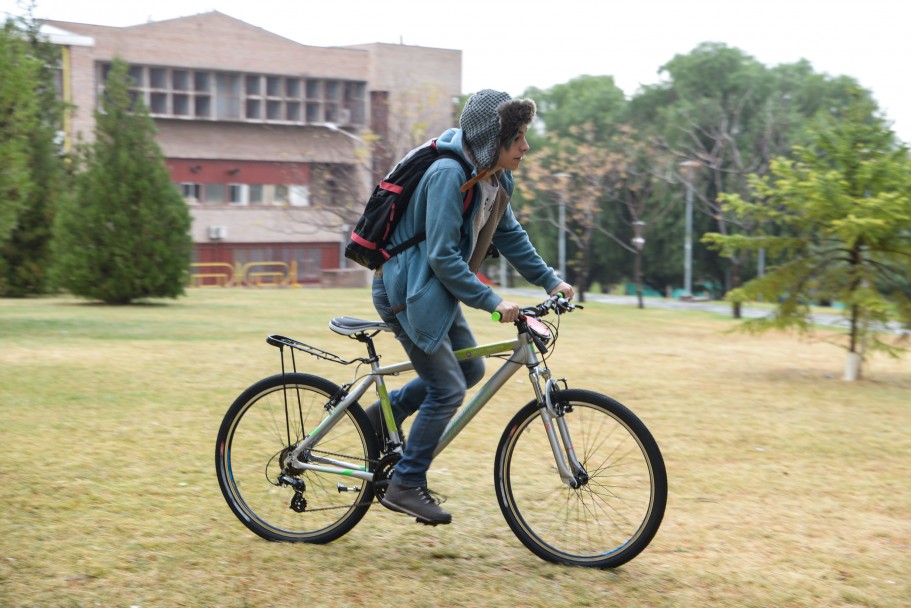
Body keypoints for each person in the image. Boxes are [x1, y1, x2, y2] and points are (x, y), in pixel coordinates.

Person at [369, 89, 574, 525]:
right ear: (490, 138)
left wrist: (550, 279)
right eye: (517, 137)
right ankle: (405, 484)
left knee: (469, 371)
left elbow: (509, 235)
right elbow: (443, 256)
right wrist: (493, 301)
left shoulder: (495, 177)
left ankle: (377, 418)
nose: (525, 146)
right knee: (447, 388)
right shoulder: (447, 174)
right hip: (405, 290)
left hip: (433, 290)